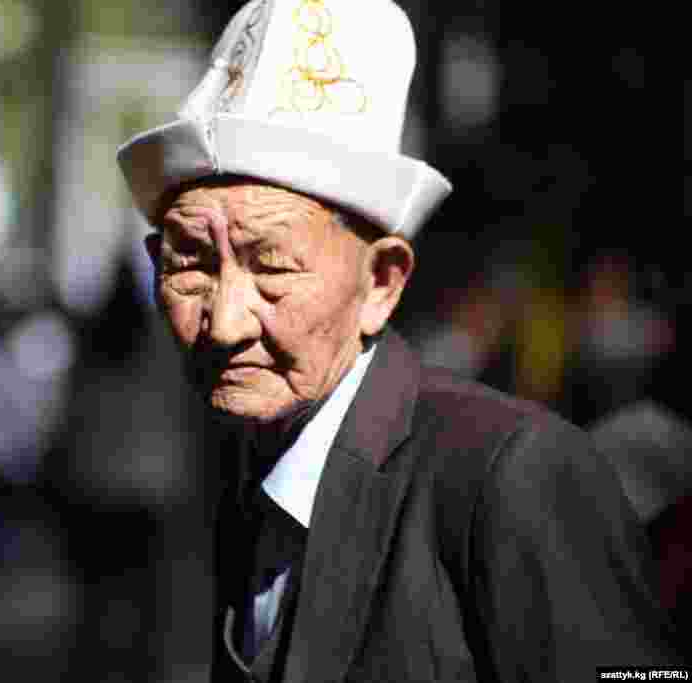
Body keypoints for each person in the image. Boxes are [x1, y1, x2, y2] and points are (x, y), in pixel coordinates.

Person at [116, 0, 684, 681]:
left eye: (272, 266)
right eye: (191, 263)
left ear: (381, 283)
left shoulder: (511, 479)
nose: (226, 321)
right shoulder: (251, 458)